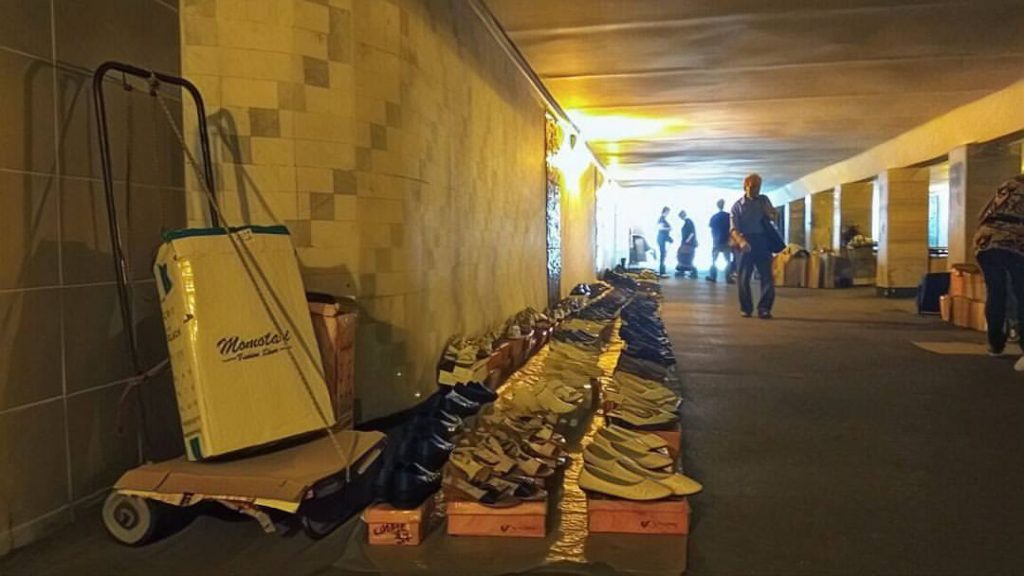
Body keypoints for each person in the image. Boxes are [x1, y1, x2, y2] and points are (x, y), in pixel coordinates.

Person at [973, 172, 1024, 371]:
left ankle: (995, 343)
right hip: (1015, 244)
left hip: (985, 242)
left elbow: (982, 213)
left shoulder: (1010, 183)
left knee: (996, 292)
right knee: (1021, 293)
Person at [731, 173, 778, 319]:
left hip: (762, 240)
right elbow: (733, 229)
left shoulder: (764, 200)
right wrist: (741, 241)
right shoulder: (737, 206)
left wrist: (771, 213)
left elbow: (773, 216)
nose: (756, 190)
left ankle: (764, 308)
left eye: (758, 187)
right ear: (745, 187)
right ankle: (746, 308)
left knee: (767, 276)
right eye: (752, 187)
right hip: (745, 241)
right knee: (743, 277)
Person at [706, 199, 734, 283]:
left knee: (714, 260)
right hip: (726, 241)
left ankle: (713, 276)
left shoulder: (714, 217)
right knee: (728, 260)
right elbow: (732, 228)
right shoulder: (728, 216)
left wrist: (714, 238)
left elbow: (712, 230)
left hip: (717, 241)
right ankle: (728, 277)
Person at [675, 210, 698, 278]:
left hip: (688, 244)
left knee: (686, 257)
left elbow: (692, 233)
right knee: (685, 257)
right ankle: (684, 270)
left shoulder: (688, 222)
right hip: (687, 243)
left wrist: (687, 241)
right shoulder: (687, 222)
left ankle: (690, 270)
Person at [656, 207, 673, 275]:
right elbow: (660, 228)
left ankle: (662, 269)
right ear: (665, 211)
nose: (668, 213)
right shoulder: (661, 219)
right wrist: (669, 228)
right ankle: (662, 270)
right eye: (668, 212)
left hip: (663, 238)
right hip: (661, 238)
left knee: (663, 253)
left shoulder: (663, 219)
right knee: (663, 253)